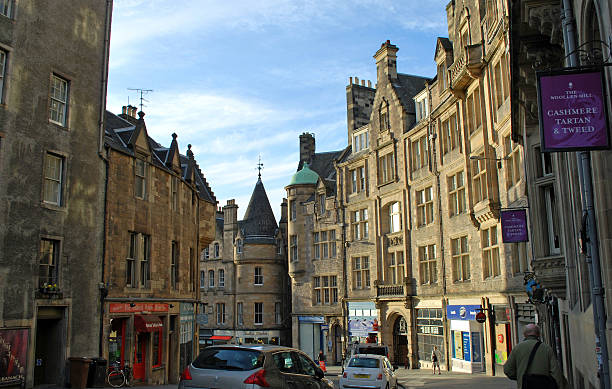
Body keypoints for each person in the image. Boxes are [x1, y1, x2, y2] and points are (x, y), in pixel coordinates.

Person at [504, 324, 565, 389]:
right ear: (538, 334)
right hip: (543, 385)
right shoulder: (547, 349)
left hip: (524, 386)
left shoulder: (517, 348)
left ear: (524, 334)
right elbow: (556, 373)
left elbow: (507, 370)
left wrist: (520, 376)